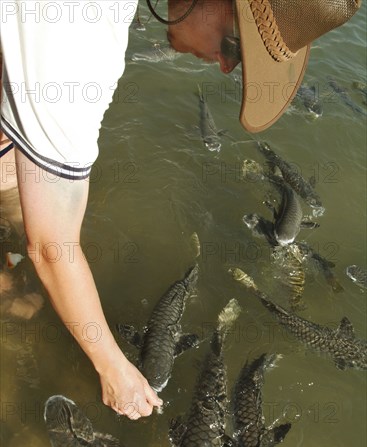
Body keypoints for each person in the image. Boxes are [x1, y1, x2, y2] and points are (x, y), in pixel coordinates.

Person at [0, 0, 361, 419]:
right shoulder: (84, 45)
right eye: (235, 49)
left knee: (19, 162)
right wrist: (111, 366)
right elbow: (51, 246)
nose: (226, 68)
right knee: (26, 292)